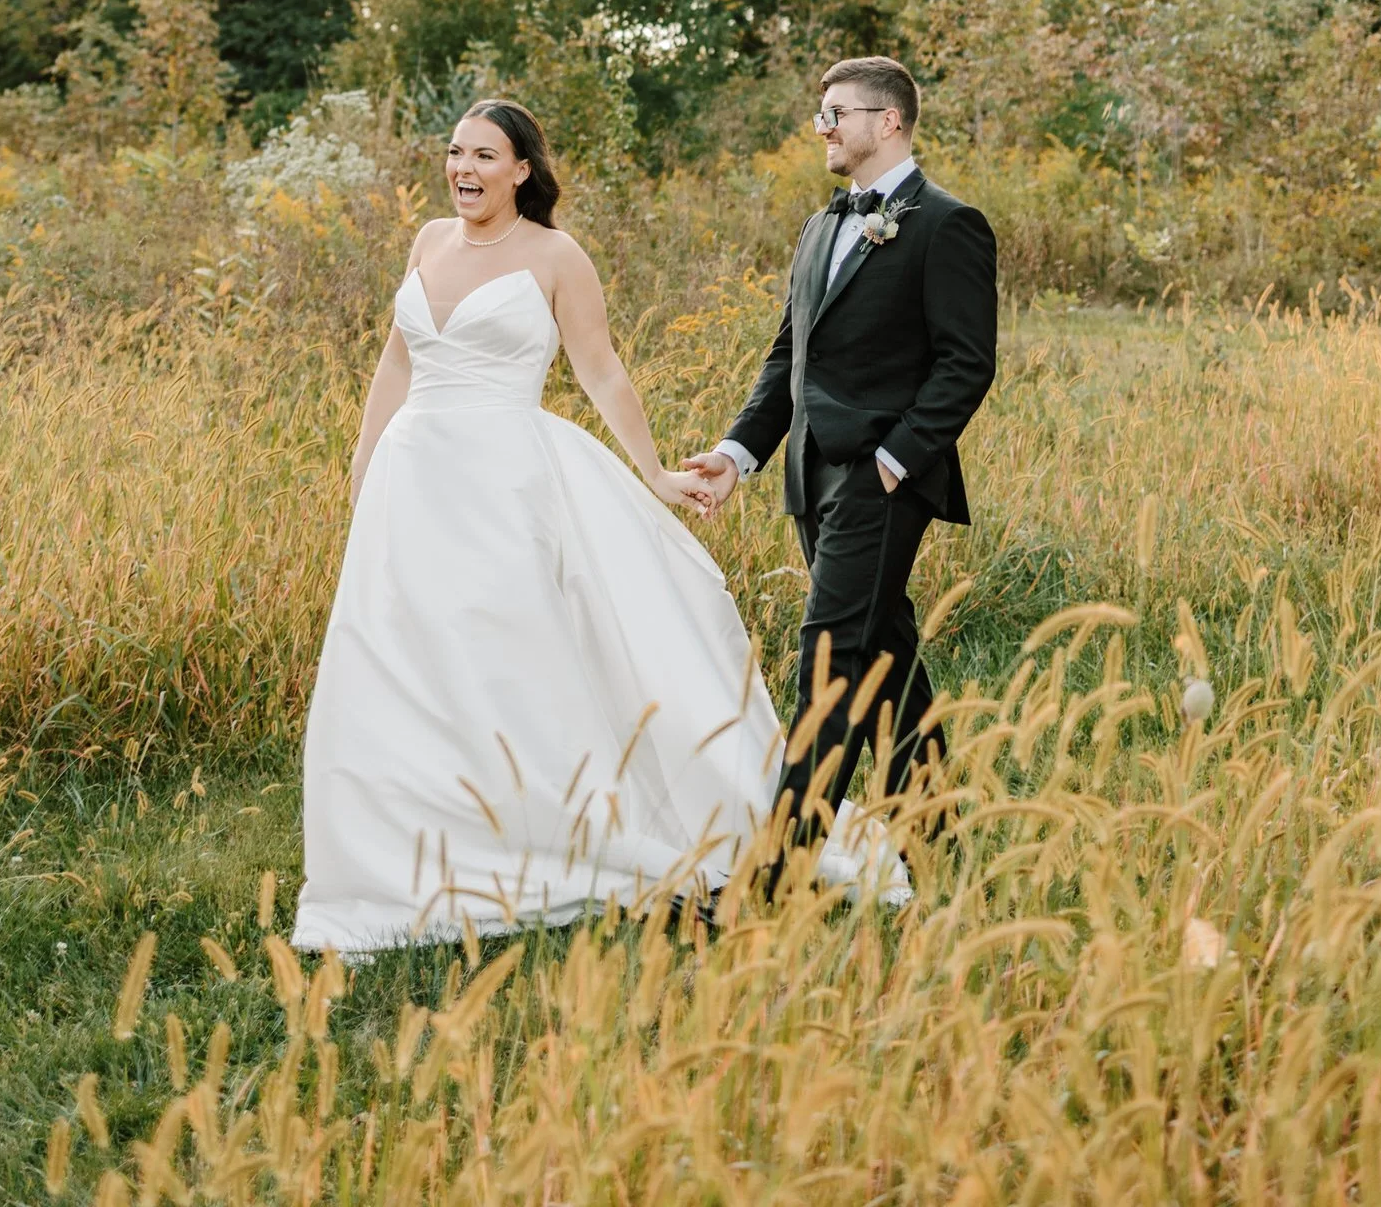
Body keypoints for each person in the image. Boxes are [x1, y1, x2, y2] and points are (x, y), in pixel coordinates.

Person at [291, 97, 781, 952]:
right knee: (400, 652)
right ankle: (408, 836)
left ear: (523, 169)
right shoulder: (429, 243)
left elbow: (601, 370)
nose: (464, 169)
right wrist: (363, 466)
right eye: (454, 152)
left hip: (504, 481)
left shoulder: (557, 256)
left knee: (504, 653)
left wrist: (658, 474)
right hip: (413, 479)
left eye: (484, 155)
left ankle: (547, 828)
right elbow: (398, 359)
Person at [686, 56, 997, 876]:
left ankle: (776, 875)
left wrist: (896, 460)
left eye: (835, 114)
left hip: (881, 480)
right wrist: (736, 453)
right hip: (808, 478)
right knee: (883, 659)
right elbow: (789, 358)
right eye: (820, 114)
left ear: (886, 121)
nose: (821, 128)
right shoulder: (821, 226)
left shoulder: (946, 224)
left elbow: (966, 364)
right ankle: (936, 841)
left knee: (828, 661)